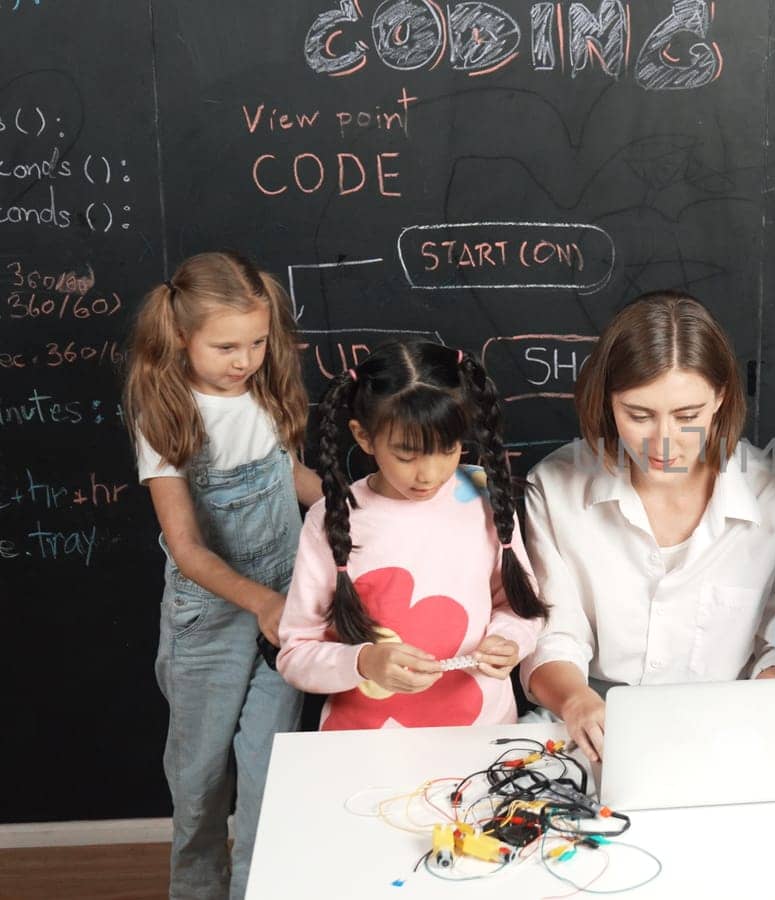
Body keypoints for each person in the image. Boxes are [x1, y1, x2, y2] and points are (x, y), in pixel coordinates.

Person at [520, 290, 775, 762]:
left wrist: (762, 713)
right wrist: (577, 701)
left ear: (720, 397)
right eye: (639, 415)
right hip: (589, 720)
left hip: (731, 724)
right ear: (608, 402)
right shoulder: (555, 488)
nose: (665, 441)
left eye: (687, 416)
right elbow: (555, 635)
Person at [124, 251, 317, 900]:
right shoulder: (168, 415)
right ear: (182, 337)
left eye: (259, 343)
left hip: (284, 606)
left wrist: (360, 500)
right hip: (209, 623)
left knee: (269, 774)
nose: (246, 360)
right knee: (201, 786)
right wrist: (261, 602)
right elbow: (186, 548)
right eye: (226, 346)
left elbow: (289, 478)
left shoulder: (263, 393)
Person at [276, 339, 546, 730]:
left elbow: (519, 605)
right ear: (364, 437)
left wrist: (511, 641)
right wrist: (364, 662)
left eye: (448, 449)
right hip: (364, 744)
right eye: (407, 455)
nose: (429, 474)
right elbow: (296, 654)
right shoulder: (334, 517)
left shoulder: (478, 495)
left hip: (481, 735)